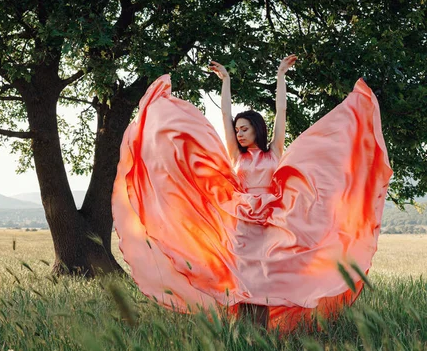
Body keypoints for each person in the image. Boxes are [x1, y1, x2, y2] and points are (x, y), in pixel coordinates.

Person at [111, 55, 392, 333]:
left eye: (244, 129)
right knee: (243, 279)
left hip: (271, 221)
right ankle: (241, 333)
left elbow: (281, 113)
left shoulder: (274, 152)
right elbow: (224, 115)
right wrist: (226, 82)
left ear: (257, 129)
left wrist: (281, 76)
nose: (240, 133)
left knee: (266, 279)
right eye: (237, 130)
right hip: (242, 221)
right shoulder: (237, 156)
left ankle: (262, 332)